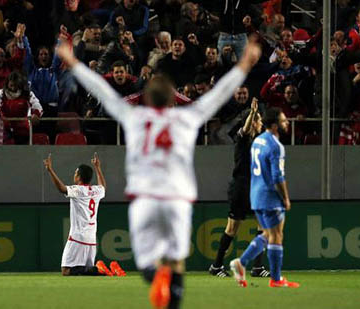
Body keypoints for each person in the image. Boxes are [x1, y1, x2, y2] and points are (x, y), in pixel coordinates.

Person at [58, 36, 262, 309]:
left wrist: (73, 62)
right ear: (172, 100)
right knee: (175, 262)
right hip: (177, 199)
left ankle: (157, 279)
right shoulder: (187, 118)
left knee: (147, 266)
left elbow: (104, 93)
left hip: (145, 198)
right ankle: (171, 289)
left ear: (147, 99)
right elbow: (218, 95)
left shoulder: (135, 118)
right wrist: (244, 65)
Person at [230, 107, 300, 288]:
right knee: (276, 235)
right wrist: (285, 198)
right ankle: (276, 279)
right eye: (284, 120)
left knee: (268, 234)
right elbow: (278, 176)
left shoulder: (257, 141)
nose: (287, 123)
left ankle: (241, 263)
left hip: (256, 195)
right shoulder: (276, 146)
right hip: (270, 196)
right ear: (275, 125)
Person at [209, 98, 270, 278]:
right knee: (232, 229)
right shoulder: (242, 140)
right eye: (258, 120)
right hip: (241, 189)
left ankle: (258, 268)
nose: (260, 123)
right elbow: (244, 130)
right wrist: (252, 113)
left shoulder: (258, 143)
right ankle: (216, 265)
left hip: (254, 188)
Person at [43, 152, 125, 277]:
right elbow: (103, 186)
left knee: (66, 271)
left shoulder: (78, 190)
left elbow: (62, 189)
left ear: (79, 177)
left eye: (76, 173)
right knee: (86, 271)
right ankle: (110, 269)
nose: (74, 175)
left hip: (78, 237)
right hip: (91, 238)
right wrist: (98, 168)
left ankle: (99, 268)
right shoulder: (96, 191)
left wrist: (50, 170)